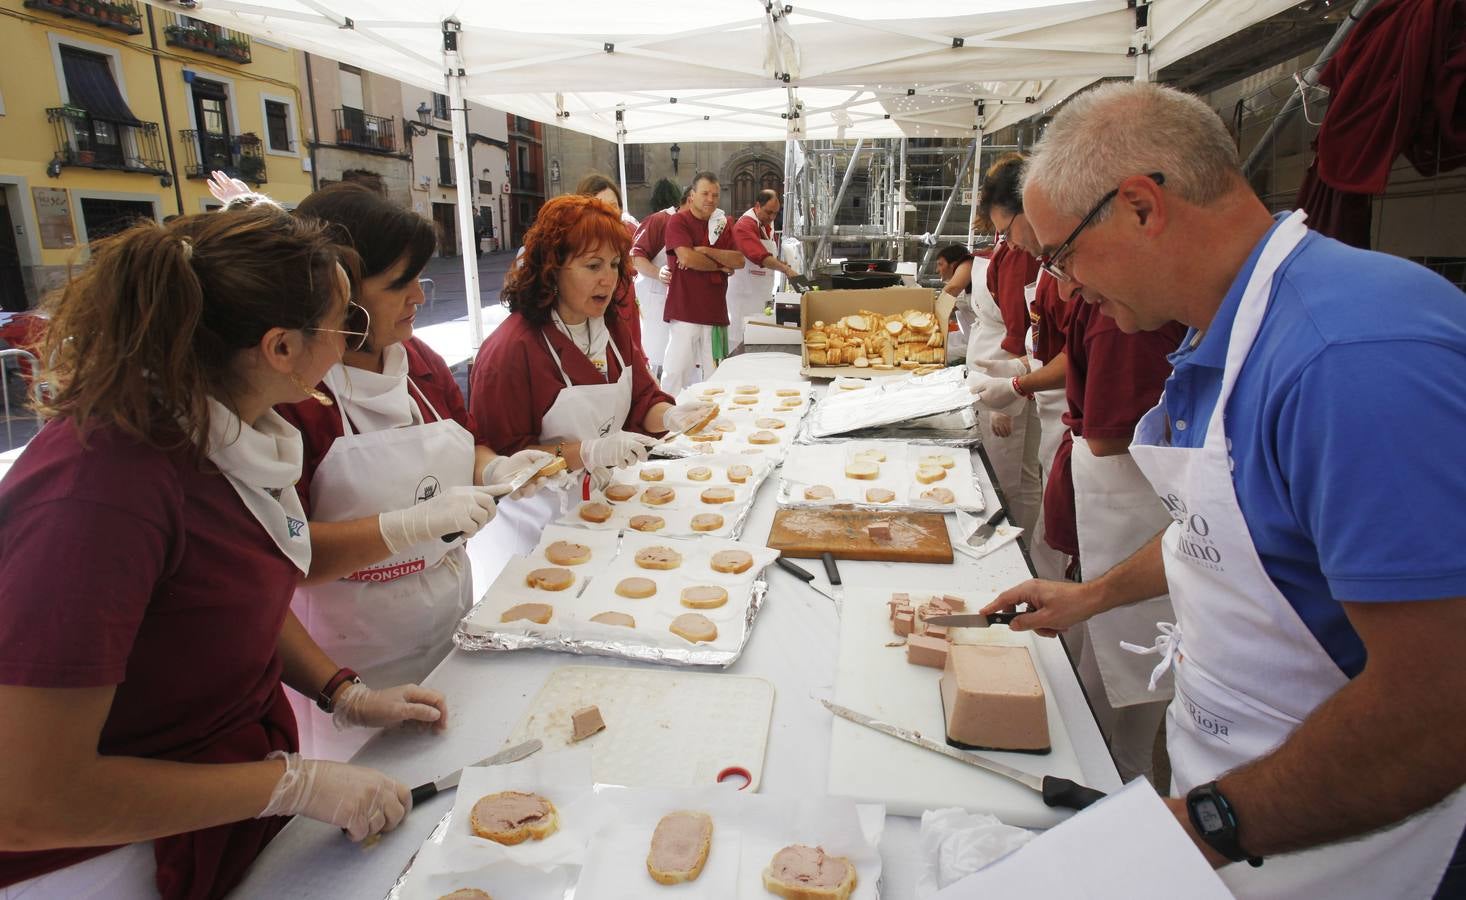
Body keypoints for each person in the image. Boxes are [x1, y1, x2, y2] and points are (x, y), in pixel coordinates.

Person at [984, 82, 1466, 898]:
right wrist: (1093, 595)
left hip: (1356, 846)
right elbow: (1223, 529)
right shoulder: (1221, 330)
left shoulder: (1348, 357)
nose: (1063, 291)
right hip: (1243, 801)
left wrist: (1210, 824)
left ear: (1140, 207)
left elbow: (1440, 701)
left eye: (1062, 257)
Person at [0, 207, 440, 899]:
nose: (347, 348)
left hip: (228, 800)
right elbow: (31, 800)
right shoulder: (100, 492)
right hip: (108, 857)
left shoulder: (224, 433)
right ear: (280, 348)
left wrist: (342, 692)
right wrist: (289, 783)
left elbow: (237, 598)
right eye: (341, 326)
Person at [275, 183, 556, 761]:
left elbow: (466, 441)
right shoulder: (297, 395)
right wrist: (405, 527)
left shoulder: (420, 362)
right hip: (355, 651)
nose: (418, 299)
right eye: (399, 285)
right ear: (340, 294)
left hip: (447, 613)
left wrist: (496, 466)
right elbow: (286, 555)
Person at [469, 195, 715, 558]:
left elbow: (642, 399)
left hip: (599, 509)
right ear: (552, 269)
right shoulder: (512, 350)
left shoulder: (610, 328)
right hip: (535, 531)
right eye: (592, 265)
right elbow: (503, 458)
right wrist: (587, 451)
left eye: (615, 264)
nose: (607, 279)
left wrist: (671, 416)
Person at [1032, 261, 1185, 782]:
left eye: (1060, 262)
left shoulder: (1123, 323)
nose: (1065, 285)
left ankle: (1116, 799)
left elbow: (1107, 434)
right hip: (1119, 540)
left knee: (1124, 711)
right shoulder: (1105, 311)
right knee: (1097, 689)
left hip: (1135, 529)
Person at [964, 155, 1044, 549]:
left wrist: (1007, 396)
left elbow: (1020, 330)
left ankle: (1017, 550)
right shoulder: (1008, 245)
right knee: (1023, 473)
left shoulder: (1023, 253)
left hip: (1011, 374)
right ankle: (1026, 545)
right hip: (1004, 371)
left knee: (1010, 476)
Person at [660, 171, 745, 394]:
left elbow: (738, 260)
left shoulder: (723, 224)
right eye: (705, 193)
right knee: (676, 372)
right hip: (684, 309)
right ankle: (666, 420)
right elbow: (687, 258)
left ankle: (715, 418)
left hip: (715, 313)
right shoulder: (679, 221)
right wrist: (720, 264)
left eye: (715, 195)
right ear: (692, 195)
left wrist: (707, 251)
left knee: (716, 375)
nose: (710, 199)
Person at [630, 184, 691, 378]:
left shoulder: (697, 227)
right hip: (656, 301)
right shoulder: (659, 220)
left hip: (683, 305)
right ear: (689, 200)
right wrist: (658, 273)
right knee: (657, 353)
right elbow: (635, 257)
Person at [726, 188, 797, 352]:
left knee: (754, 337)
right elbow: (761, 256)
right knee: (738, 339)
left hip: (758, 294)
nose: (772, 217)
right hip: (742, 296)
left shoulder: (766, 223)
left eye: (775, 214)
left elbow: (769, 254)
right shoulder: (744, 225)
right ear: (757, 206)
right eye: (768, 212)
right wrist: (786, 269)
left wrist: (783, 262)